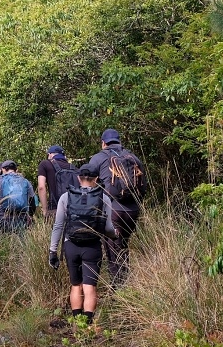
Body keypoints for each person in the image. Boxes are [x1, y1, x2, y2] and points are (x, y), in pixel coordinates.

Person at [48, 163, 116, 324]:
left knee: (76, 285)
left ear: (78, 178)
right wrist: (114, 235)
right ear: (96, 179)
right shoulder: (103, 197)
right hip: (92, 247)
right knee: (89, 286)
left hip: (71, 246)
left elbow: (58, 225)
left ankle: (77, 322)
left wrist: (52, 251)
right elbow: (108, 228)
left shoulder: (66, 197)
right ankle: (87, 324)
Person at [87, 128, 147, 288]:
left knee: (113, 250)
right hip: (133, 210)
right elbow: (143, 187)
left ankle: (119, 291)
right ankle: (124, 283)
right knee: (123, 245)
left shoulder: (99, 158)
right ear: (119, 141)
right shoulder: (133, 157)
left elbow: (88, 184)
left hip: (113, 211)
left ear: (103, 143)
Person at [0, 160, 37, 234]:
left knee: (1, 244)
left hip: (1, 220)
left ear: (3, 169)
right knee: (20, 244)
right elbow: (32, 203)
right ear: (16, 170)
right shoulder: (26, 182)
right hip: (21, 220)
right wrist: (30, 216)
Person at [37, 145, 78, 224]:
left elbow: (41, 187)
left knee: (55, 235)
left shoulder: (45, 164)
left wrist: (45, 210)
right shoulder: (74, 168)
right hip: (74, 211)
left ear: (50, 154)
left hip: (54, 210)